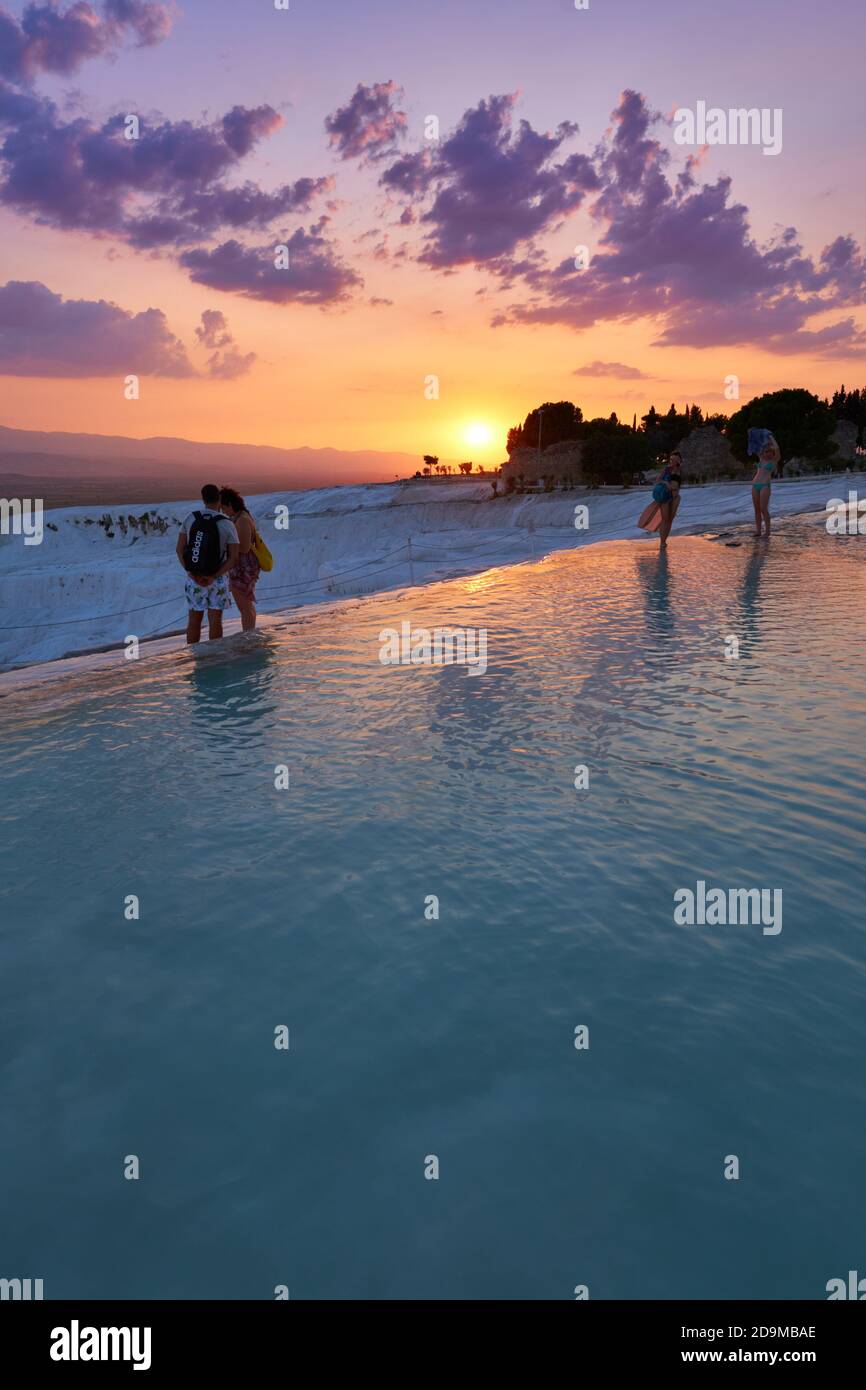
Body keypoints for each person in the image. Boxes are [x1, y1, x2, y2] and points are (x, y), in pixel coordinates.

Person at [177, 484, 239, 644]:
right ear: (219, 499)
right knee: (215, 621)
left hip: (194, 578)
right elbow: (233, 558)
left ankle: (193, 655)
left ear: (203, 498)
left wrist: (191, 572)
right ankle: (214, 659)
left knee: (194, 621)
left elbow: (179, 549)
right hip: (217, 580)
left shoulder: (191, 518)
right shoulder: (227, 523)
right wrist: (214, 576)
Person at [219, 486, 261, 631]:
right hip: (243, 566)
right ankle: (250, 633)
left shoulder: (242, 520)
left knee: (244, 607)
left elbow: (243, 548)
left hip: (243, 566)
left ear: (230, 504)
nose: (223, 512)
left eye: (223, 508)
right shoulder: (241, 517)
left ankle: (248, 636)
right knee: (247, 605)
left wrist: (226, 546)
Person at [749, 433, 780, 538]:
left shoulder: (774, 461)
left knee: (763, 509)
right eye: (766, 451)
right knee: (757, 509)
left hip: (765, 486)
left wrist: (771, 437)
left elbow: (777, 448)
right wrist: (753, 435)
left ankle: (767, 531)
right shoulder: (761, 459)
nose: (768, 454)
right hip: (755, 485)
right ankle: (758, 531)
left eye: (770, 452)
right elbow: (757, 447)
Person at [651, 450, 682, 546]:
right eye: (671, 459)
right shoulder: (667, 469)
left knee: (670, 520)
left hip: (675, 497)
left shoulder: (680, 470)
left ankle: (665, 540)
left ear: (679, 460)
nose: (672, 461)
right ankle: (662, 542)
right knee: (665, 519)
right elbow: (658, 480)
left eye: (675, 459)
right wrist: (666, 483)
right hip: (666, 495)